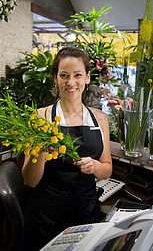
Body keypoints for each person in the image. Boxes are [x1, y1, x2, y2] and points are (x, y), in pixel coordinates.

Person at [18, 47, 112, 251]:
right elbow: (29, 180)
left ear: (87, 77)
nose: (71, 82)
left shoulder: (100, 119)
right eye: (64, 75)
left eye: (78, 75)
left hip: (85, 215)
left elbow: (107, 169)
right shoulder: (39, 117)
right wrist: (42, 149)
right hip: (46, 217)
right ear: (55, 78)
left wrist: (95, 166)